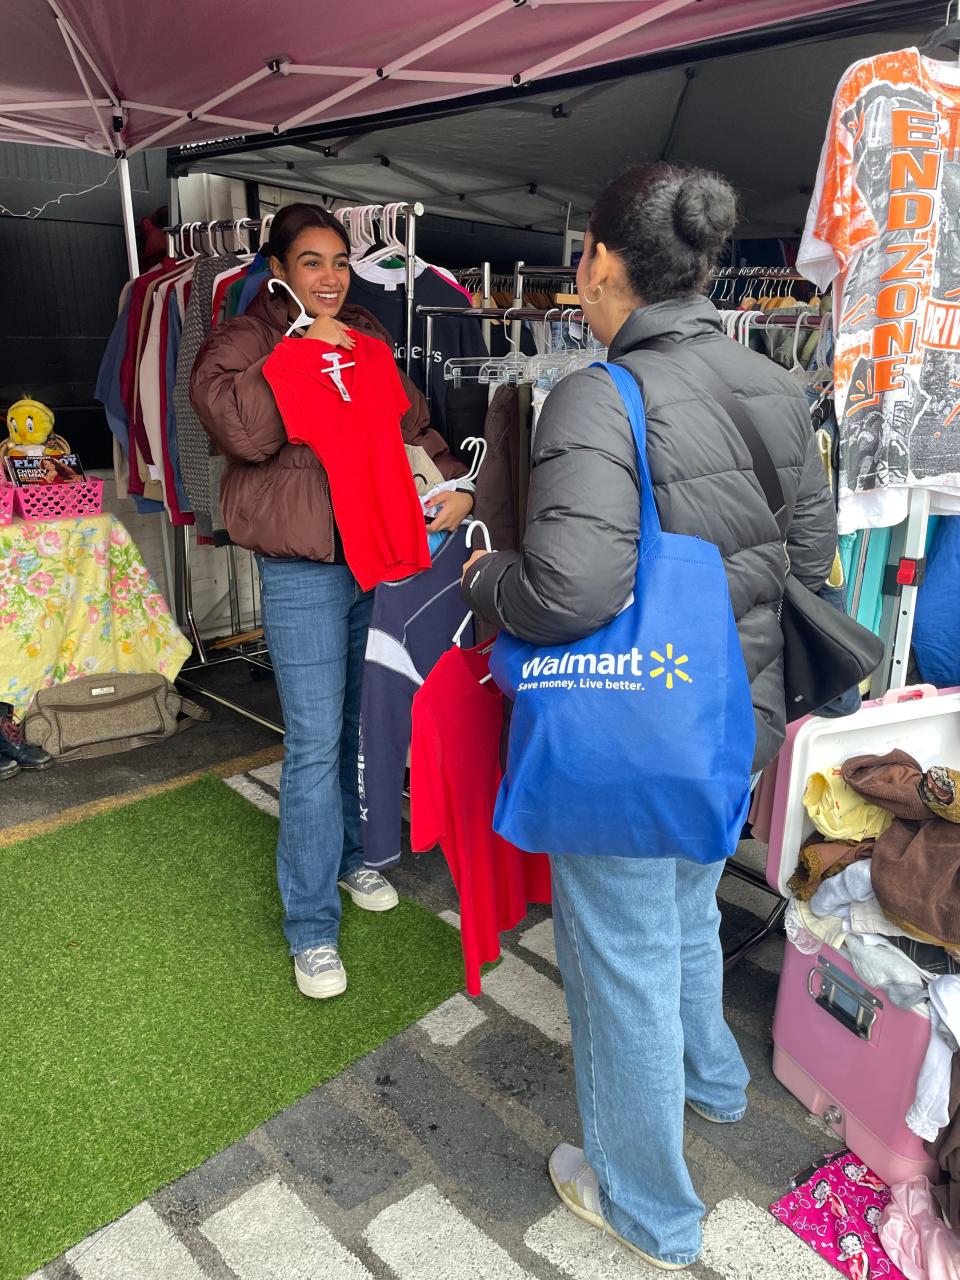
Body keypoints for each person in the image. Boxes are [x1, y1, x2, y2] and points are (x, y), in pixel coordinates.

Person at [462, 164, 837, 1269]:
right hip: (737, 721)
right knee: (681, 905)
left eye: (582, 260)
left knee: (622, 951)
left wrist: (486, 578)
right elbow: (807, 558)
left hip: (634, 730)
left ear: (601, 264)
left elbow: (568, 590)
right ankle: (714, 1083)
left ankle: (648, 1204)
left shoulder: (595, 392)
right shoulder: (769, 378)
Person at [191, 203, 473, 999]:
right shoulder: (246, 338)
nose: (329, 277)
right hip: (304, 566)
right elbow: (242, 435)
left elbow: (412, 424)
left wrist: (456, 482)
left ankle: (350, 858)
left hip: (373, 554)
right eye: (311, 261)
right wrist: (295, 351)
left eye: (340, 262)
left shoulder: (367, 334)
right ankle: (310, 926)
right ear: (277, 268)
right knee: (314, 740)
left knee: (352, 720)